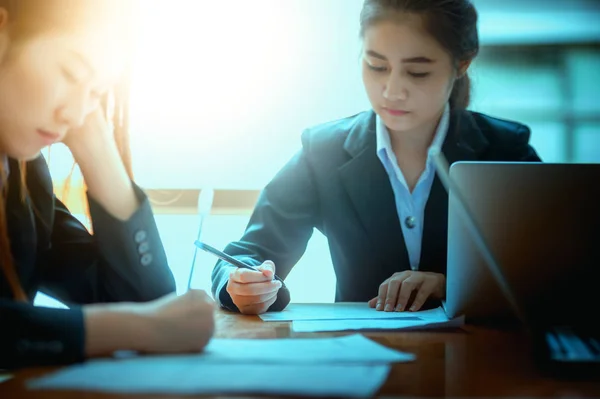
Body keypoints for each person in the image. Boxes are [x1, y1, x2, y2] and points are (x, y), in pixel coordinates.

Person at [211, 0, 541, 315]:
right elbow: (247, 253)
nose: (391, 90)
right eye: (377, 66)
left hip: (482, 360)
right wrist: (242, 283)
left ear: (462, 63)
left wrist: (452, 286)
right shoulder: (324, 151)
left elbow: (557, 270)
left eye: (417, 72)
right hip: (361, 355)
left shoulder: (506, 150)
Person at [0, 0, 213, 369]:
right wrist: (134, 329)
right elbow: (146, 320)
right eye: (70, 72)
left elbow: (147, 300)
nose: (76, 113)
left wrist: (97, 147)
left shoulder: (27, 179)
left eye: (96, 93)